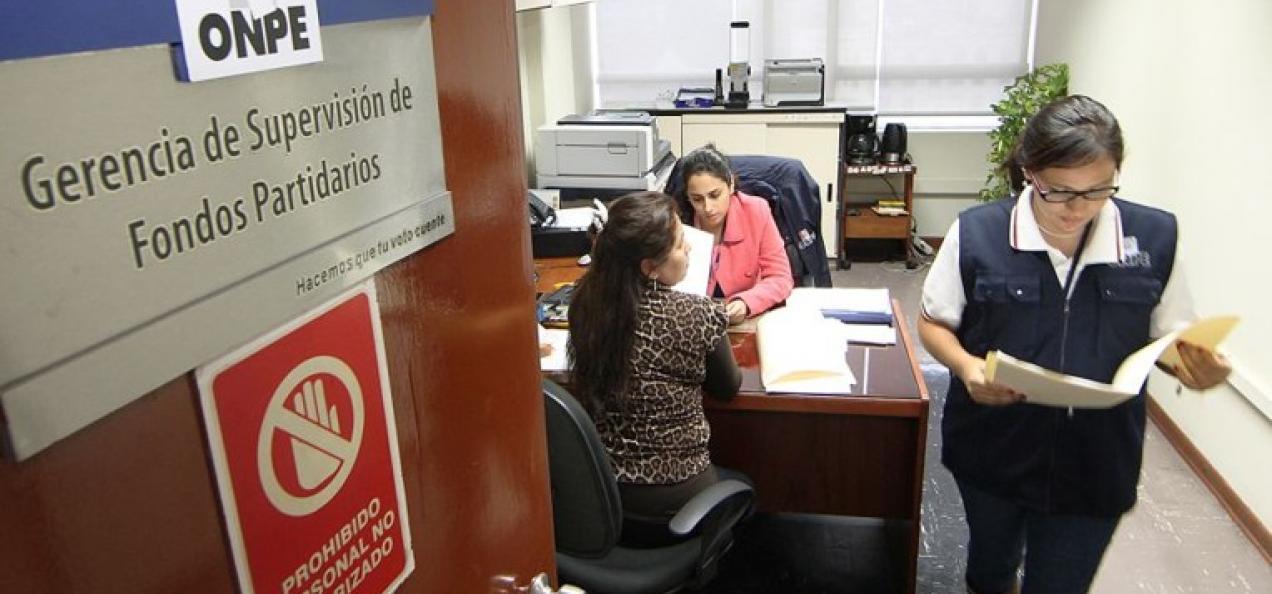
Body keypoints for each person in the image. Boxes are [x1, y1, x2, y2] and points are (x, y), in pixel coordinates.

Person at [918, 95, 1231, 594]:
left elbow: (1171, 339)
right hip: (993, 445)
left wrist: (1195, 368)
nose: (1078, 209)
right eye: (1059, 191)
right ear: (1029, 173)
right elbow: (934, 322)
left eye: (1098, 190)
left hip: (1097, 459)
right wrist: (966, 367)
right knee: (990, 569)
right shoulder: (979, 232)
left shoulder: (1154, 236)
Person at [567, 191, 743, 522]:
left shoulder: (585, 304)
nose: (689, 248)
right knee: (744, 481)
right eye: (679, 244)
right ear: (649, 267)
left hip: (606, 495)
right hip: (679, 496)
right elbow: (727, 387)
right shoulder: (698, 313)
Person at [675, 144, 794, 324]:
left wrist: (746, 303)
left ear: (730, 185)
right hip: (689, 320)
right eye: (697, 199)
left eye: (715, 195)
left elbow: (780, 277)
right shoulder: (677, 220)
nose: (708, 208)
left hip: (743, 320)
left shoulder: (756, 211)